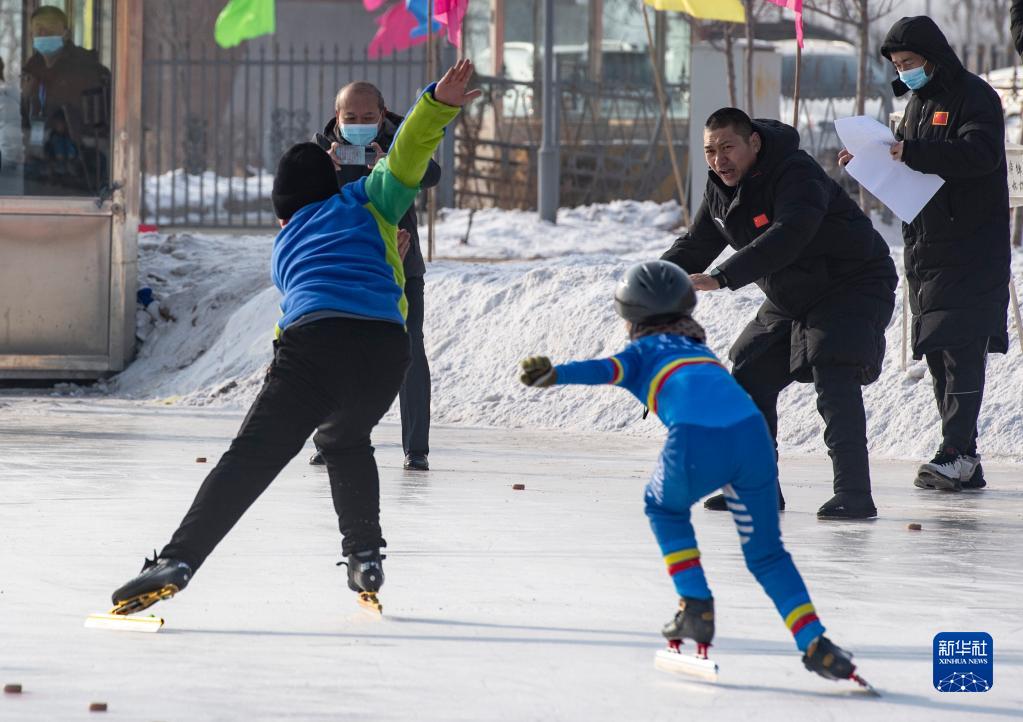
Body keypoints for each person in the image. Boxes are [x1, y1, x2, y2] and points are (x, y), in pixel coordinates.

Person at [107, 60, 480, 617]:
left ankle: (178, 559)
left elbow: (305, 309)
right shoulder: (370, 201)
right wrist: (437, 104)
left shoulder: (285, 244)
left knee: (250, 458)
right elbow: (407, 156)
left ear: (284, 209)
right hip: (384, 355)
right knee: (346, 441)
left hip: (315, 349)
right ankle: (365, 556)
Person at [519, 261, 864, 685]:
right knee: (767, 555)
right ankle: (815, 644)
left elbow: (601, 369)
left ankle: (695, 605)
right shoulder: (700, 351)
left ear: (630, 318)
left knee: (662, 507)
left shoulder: (639, 355)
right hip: (754, 439)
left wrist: (554, 374)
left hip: (697, 441)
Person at [663, 108, 897, 520]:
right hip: (795, 290)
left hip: (852, 281)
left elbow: (788, 236)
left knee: (833, 365)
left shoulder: (796, 172)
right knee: (750, 369)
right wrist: (655, 279)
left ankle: (854, 494)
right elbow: (696, 243)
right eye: (710, 151)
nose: (719, 160)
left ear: (753, 143)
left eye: (727, 148)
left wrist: (721, 277)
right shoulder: (720, 187)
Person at [844, 16, 1008, 491]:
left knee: (962, 347)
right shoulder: (917, 102)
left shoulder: (976, 97)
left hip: (971, 245)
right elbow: (908, 159)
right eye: (898, 65)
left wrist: (910, 151)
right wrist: (870, 160)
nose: (905, 71)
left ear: (933, 57)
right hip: (927, 246)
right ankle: (963, 455)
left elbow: (980, 155)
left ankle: (956, 450)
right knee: (938, 348)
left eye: (910, 62)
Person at [308, 81, 439, 472]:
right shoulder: (319, 151)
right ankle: (330, 439)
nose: (359, 124)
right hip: (343, 267)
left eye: (368, 117)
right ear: (337, 116)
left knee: (408, 349)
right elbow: (294, 197)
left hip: (399, 265)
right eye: (351, 118)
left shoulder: (401, 143)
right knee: (336, 352)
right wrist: (324, 170)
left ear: (382, 116)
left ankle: (416, 449)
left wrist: (391, 164)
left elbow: (431, 174)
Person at [20, 5, 110, 193]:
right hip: (38, 169)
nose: (43, 32)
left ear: (66, 32)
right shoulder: (31, 68)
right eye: (37, 27)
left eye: (50, 26)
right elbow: (25, 117)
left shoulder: (86, 67)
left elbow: (104, 119)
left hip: (80, 172)